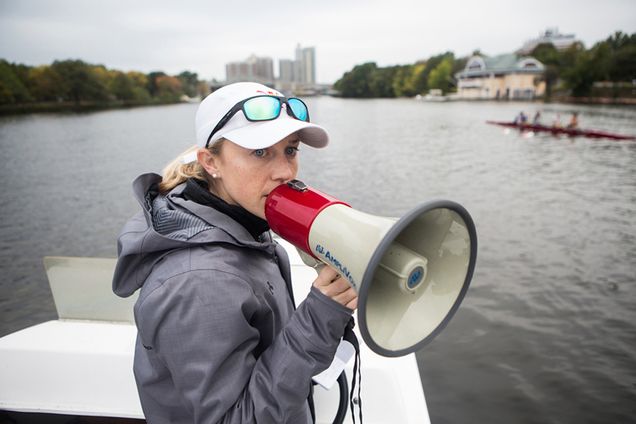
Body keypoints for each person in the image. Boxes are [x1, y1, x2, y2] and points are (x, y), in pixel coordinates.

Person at [112, 82, 357, 423]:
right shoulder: (198, 281)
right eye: (260, 152)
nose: (286, 172)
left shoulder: (240, 225)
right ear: (210, 162)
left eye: (290, 149)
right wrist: (319, 319)